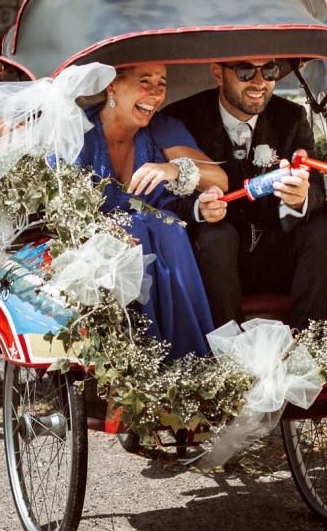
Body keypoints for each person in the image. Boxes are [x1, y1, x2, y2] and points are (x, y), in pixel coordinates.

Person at [163, 59, 327, 330]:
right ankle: (227, 350)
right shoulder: (182, 117)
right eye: (245, 71)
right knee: (216, 237)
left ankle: (311, 340)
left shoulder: (291, 116)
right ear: (218, 73)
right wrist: (198, 209)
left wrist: (299, 199)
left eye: (270, 70)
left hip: (276, 251)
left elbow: (316, 184)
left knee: (325, 228)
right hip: (216, 257)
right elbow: (165, 195)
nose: (259, 82)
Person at [73, 64, 229, 361]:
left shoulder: (160, 127)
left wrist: (173, 169)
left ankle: (187, 359)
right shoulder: (79, 133)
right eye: (144, 81)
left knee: (167, 226)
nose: (156, 93)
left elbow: (219, 179)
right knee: (135, 230)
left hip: (164, 246)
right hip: (95, 253)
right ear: (112, 85)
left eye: (162, 83)